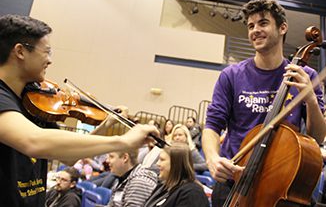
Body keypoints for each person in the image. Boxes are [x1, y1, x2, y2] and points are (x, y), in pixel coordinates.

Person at [0, 14, 159, 207]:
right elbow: (33, 141)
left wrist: (105, 125)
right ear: (20, 51)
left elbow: (69, 158)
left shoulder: (33, 102)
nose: (49, 60)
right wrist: (122, 141)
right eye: (46, 52)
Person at [202, 0, 326, 206]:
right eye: (251, 26)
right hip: (234, 183)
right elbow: (212, 126)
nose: (255, 30)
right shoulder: (231, 75)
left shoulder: (305, 75)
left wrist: (311, 100)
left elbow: (317, 137)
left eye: (263, 23)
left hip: (280, 185)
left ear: (282, 28)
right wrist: (212, 158)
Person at [143, 142, 209, 207]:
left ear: (175, 164)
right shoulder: (162, 187)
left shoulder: (192, 193)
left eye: (162, 160)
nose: (157, 164)